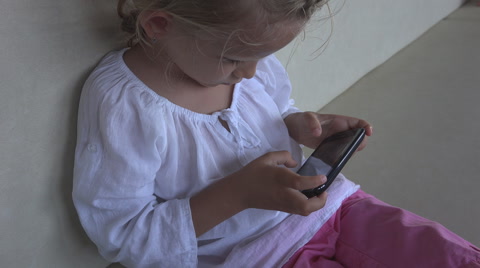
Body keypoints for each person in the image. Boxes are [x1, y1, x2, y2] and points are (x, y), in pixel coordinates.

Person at [72, 0, 480, 267]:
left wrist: (300, 123)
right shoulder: (123, 102)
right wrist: (236, 194)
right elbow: (121, 232)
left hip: (336, 209)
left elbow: (276, 105)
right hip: (258, 258)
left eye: (262, 57)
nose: (251, 73)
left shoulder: (245, 57)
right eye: (236, 59)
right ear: (160, 23)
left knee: (444, 254)